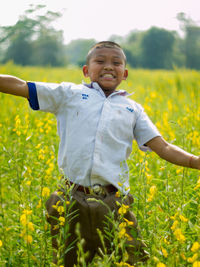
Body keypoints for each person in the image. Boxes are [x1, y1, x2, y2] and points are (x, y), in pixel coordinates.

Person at [0, 41, 199, 266]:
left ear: (124, 73)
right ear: (86, 71)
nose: (108, 66)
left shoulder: (132, 109)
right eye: (100, 61)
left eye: (116, 63)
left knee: (129, 258)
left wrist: (194, 161)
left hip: (114, 202)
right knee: (67, 260)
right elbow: (22, 86)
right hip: (70, 198)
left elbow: (163, 147)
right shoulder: (69, 93)